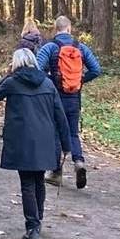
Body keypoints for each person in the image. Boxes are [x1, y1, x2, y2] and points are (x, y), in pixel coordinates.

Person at [0, 48, 70, 239]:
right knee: (38, 180)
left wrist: (6, 75)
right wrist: (67, 145)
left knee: (27, 183)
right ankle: (37, 220)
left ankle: (32, 226)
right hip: (45, 139)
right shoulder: (48, 83)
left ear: (16, 63)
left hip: (21, 140)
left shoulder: (12, 82)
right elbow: (60, 115)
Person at [36, 15, 101, 189]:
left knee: (56, 132)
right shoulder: (81, 47)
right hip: (74, 97)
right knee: (72, 132)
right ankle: (79, 161)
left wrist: (50, 82)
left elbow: (37, 69)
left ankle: (55, 172)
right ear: (69, 29)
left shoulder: (49, 47)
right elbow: (96, 69)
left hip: (54, 97)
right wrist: (80, 81)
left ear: (55, 28)